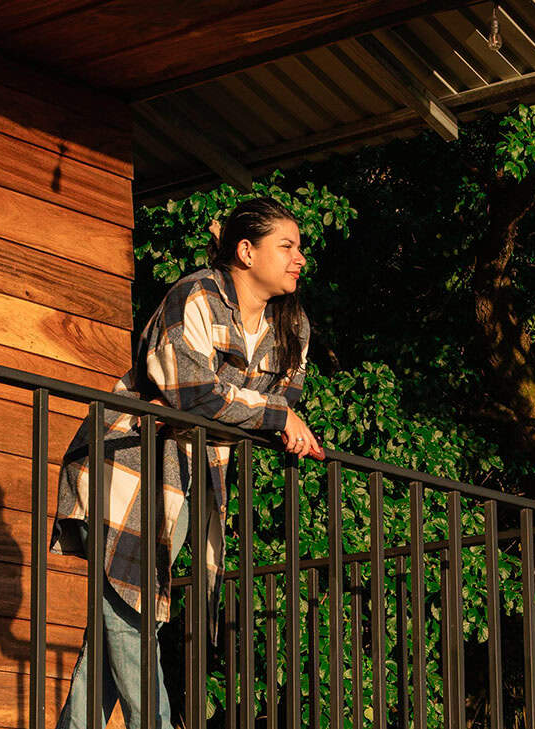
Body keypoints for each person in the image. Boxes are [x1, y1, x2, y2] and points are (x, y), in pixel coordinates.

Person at [49, 197, 324, 729]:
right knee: (129, 609)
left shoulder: (293, 327)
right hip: (130, 462)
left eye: (300, 248)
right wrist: (265, 413)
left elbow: (280, 406)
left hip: (197, 470)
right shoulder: (194, 295)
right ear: (246, 251)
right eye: (287, 246)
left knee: (120, 618)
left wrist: (260, 414)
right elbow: (194, 394)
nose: (300, 259)